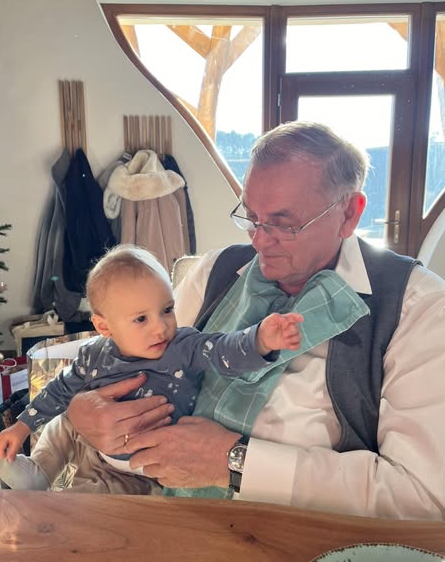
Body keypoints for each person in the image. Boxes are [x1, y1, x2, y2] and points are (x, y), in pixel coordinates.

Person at [65, 121, 444, 519]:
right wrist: (92, 422)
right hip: (175, 518)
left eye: (283, 223)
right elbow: (133, 374)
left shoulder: (417, 307)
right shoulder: (215, 272)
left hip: (311, 537)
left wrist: (235, 462)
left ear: (349, 213)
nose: (259, 240)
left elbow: (422, 497)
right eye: (250, 216)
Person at [0, 244, 304, 493]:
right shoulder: (93, 355)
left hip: (139, 468)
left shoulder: (183, 345)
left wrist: (261, 340)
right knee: (62, 423)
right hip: (90, 442)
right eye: (141, 319)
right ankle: (39, 471)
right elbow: (59, 389)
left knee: (86, 507)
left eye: (167, 310)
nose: (161, 327)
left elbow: (225, 350)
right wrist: (22, 427)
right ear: (104, 327)